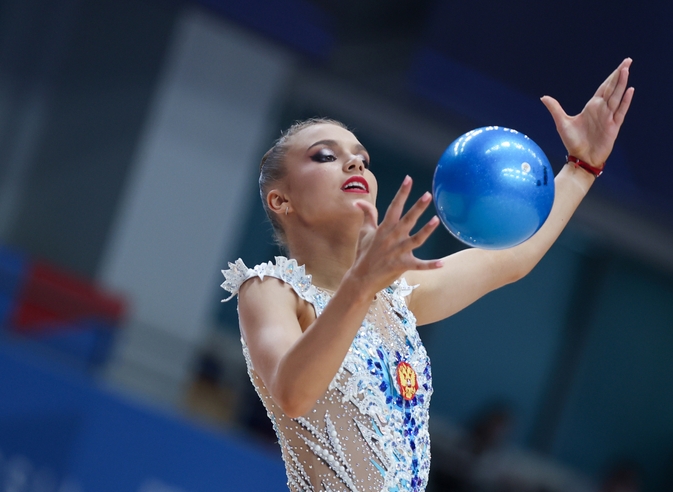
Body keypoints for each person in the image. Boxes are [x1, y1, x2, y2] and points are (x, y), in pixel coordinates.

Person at [220, 58, 634, 491]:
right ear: (281, 201)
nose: (354, 165)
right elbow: (293, 393)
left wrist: (582, 168)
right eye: (325, 156)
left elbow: (511, 259)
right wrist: (361, 284)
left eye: (362, 158)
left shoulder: (395, 295)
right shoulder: (270, 290)